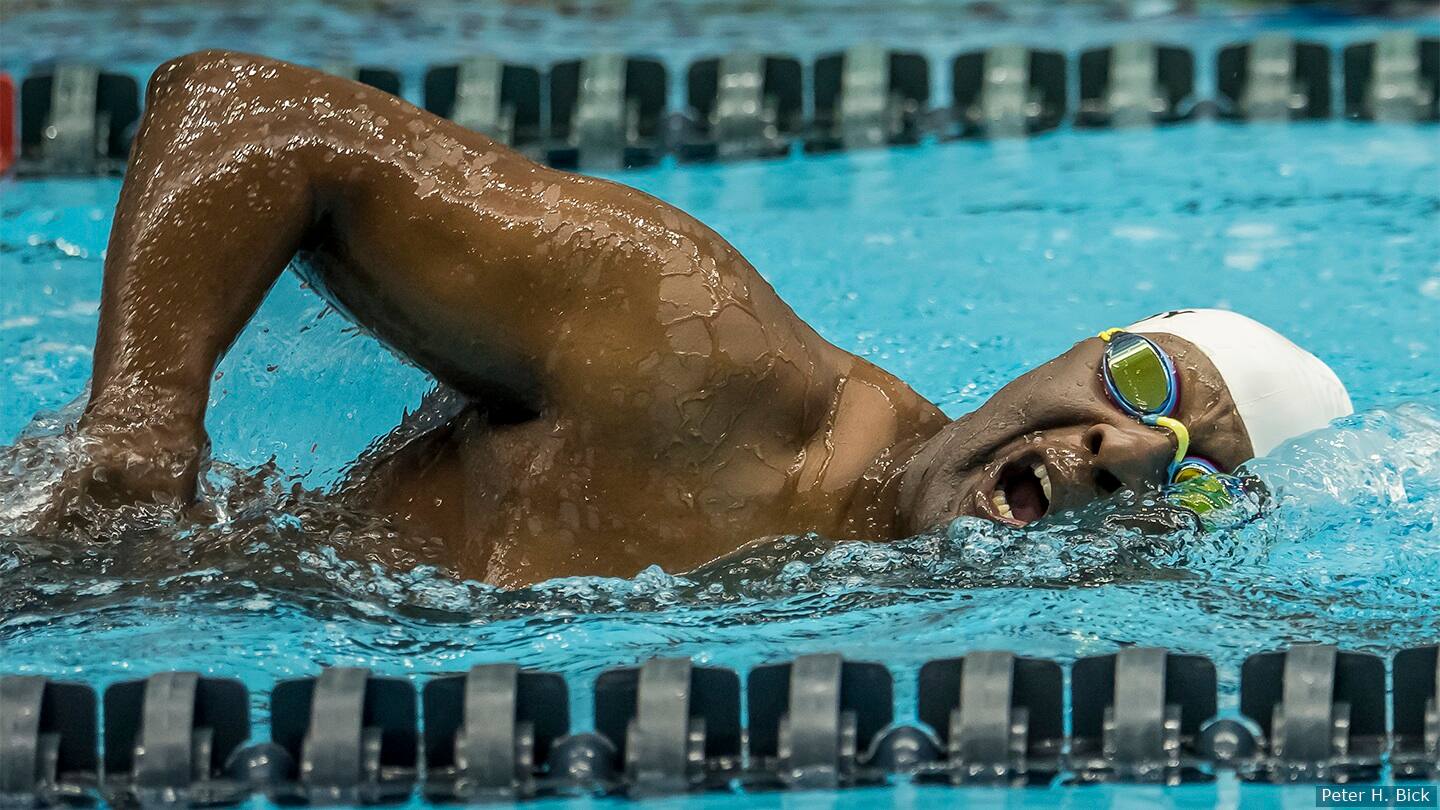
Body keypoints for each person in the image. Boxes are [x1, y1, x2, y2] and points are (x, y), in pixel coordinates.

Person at [66, 51, 1353, 587]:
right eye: (1137, 384)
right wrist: (141, 426)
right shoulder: (698, 348)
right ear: (1072, 349)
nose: (1124, 453)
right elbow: (250, 113)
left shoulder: (917, 641)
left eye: (1188, 480)